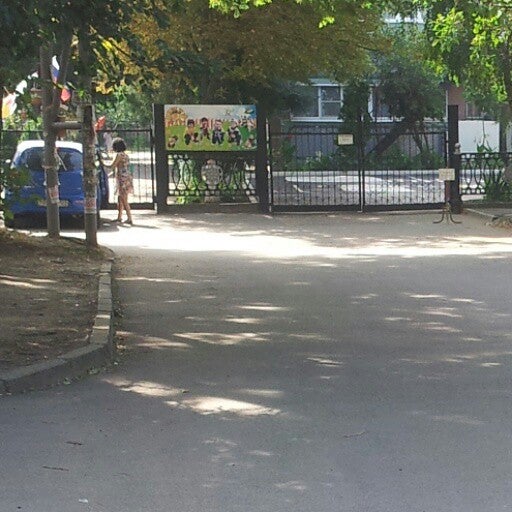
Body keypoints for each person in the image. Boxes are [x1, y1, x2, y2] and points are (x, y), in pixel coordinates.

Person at [110, 137, 134, 225]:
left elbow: (112, 166)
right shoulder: (125, 155)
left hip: (122, 179)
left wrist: (101, 162)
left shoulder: (118, 155)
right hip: (127, 178)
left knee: (123, 199)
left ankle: (129, 218)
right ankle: (119, 217)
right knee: (120, 198)